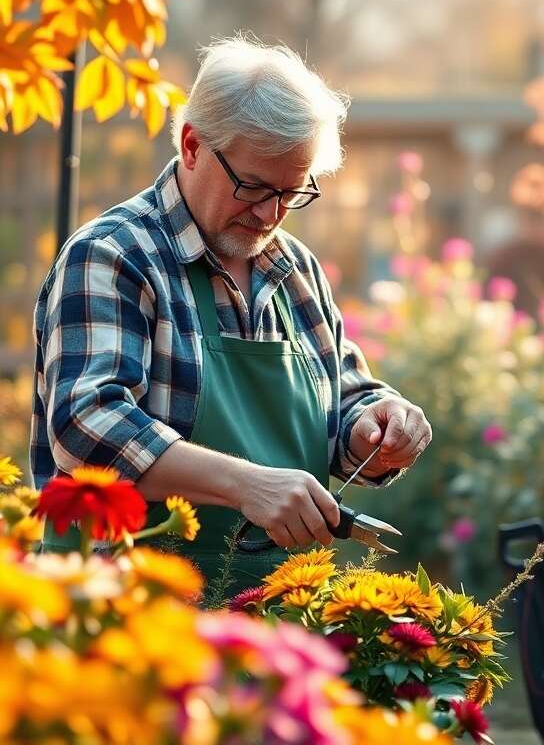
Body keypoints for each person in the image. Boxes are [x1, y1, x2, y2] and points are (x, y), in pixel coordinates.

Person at [30, 36, 432, 594]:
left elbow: (340, 399)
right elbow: (87, 425)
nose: (270, 213)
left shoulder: (294, 268)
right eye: (254, 186)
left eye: (292, 192)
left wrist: (373, 427)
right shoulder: (114, 256)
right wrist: (245, 486)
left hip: (275, 607)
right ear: (193, 145)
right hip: (122, 604)